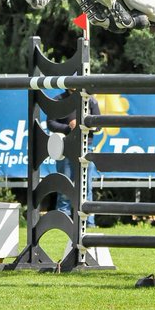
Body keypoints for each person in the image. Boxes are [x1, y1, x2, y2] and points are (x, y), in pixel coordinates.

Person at [46, 89, 100, 224]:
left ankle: (89, 222)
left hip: (86, 147)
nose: (74, 87)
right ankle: (62, 220)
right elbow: (50, 123)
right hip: (65, 147)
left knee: (86, 186)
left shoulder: (91, 100)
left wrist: (84, 124)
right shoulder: (58, 100)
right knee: (64, 185)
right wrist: (68, 127)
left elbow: (98, 125)